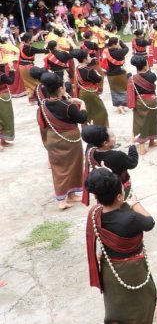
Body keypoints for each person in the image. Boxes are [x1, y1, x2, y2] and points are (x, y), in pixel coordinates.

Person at [85, 168, 157, 323]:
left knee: (116, 304)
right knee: (142, 304)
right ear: (119, 196)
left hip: (110, 269)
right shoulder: (130, 219)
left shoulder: (95, 213)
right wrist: (136, 204)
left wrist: (107, 176)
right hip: (132, 270)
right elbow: (150, 223)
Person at [39, 72, 87, 210]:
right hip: (69, 139)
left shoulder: (43, 104)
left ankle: (69, 195)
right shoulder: (68, 106)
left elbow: (42, 124)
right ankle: (62, 200)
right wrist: (81, 103)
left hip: (54, 139)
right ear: (61, 88)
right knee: (73, 166)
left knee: (59, 168)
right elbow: (82, 118)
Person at [81, 125, 139, 204]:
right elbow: (133, 162)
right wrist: (132, 144)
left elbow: (90, 142)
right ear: (105, 143)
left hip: (103, 191)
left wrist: (93, 132)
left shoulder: (90, 152)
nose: (115, 137)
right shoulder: (118, 156)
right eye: (112, 136)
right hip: (120, 190)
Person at [71, 49, 108, 127]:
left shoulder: (77, 68)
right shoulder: (89, 70)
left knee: (86, 111)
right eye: (88, 56)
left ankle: (87, 128)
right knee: (101, 111)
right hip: (90, 93)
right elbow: (98, 79)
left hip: (82, 92)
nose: (90, 58)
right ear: (85, 59)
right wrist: (97, 73)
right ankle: (101, 127)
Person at [102, 37, 130, 114]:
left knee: (114, 91)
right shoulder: (119, 52)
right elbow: (126, 48)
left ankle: (118, 106)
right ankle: (122, 106)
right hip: (120, 73)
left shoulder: (105, 51)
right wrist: (120, 41)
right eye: (117, 43)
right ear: (114, 44)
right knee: (123, 90)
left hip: (110, 74)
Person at [18, 32, 47, 103]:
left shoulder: (22, 44)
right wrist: (47, 46)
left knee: (28, 83)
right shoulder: (30, 48)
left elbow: (33, 39)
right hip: (28, 67)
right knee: (35, 82)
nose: (33, 39)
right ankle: (40, 97)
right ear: (28, 40)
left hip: (21, 67)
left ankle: (31, 99)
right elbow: (42, 50)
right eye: (31, 38)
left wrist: (39, 33)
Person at [0, 60, 15, 148]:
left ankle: (2, 140)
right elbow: (10, 81)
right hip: (2, 96)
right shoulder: (1, 75)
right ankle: (2, 141)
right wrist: (12, 69)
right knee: (6, 118)